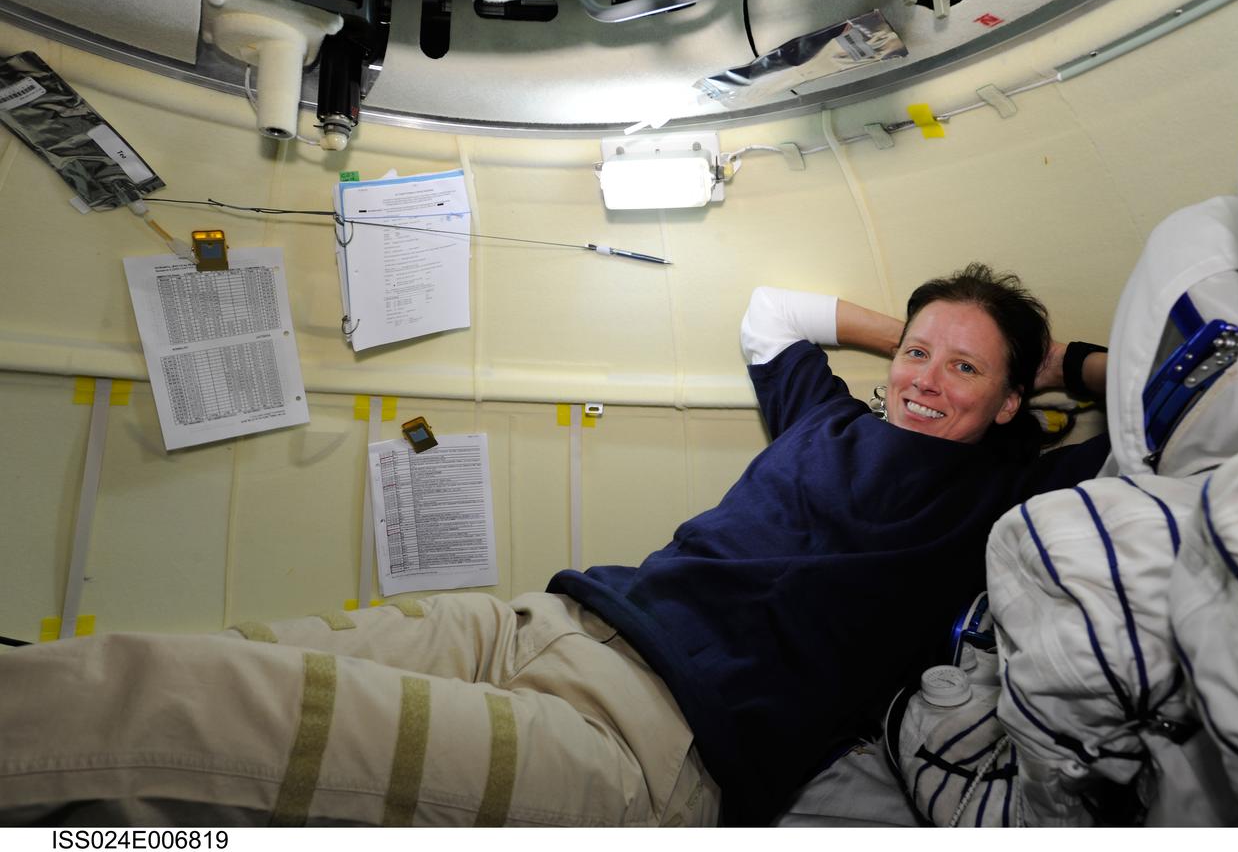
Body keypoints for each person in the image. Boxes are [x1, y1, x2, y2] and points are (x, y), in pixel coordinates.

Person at [0, 264, 1109, 828]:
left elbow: (1162, 431)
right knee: (218, 704)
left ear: (1012, 401)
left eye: (964, 370)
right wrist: (934, 330)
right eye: (916, 352)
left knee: (186, 700)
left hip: (643, 745)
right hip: (536, 624)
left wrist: (1063, 364)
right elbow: (770, 308)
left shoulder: (1006, 502)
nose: (921, 379)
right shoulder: (826, 417)